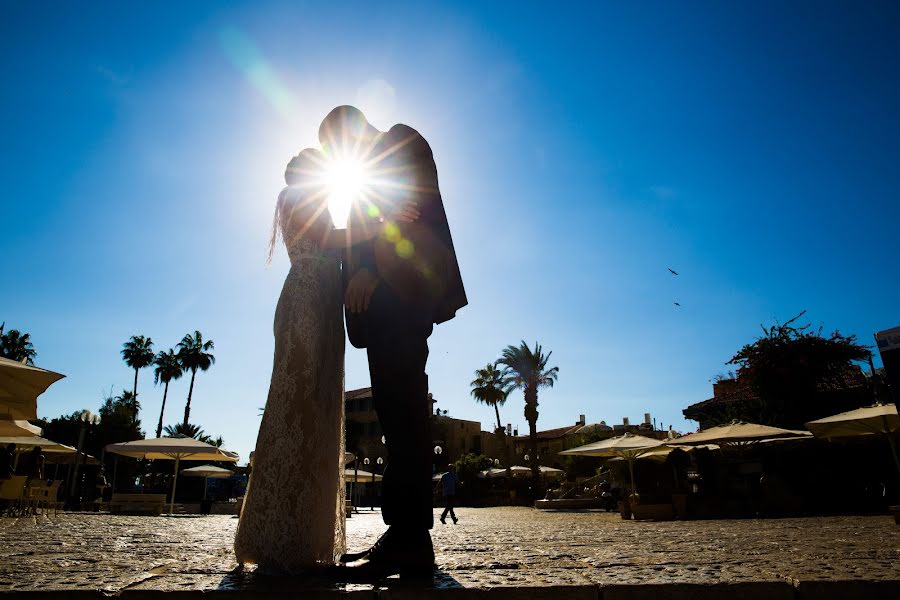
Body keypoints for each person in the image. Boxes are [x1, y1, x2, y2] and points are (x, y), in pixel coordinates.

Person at [234, 134, 420, 574]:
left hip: (322, 305)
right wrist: (385, 223)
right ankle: (278, 531)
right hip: (306, 306)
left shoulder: (310, 199)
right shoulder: (297, 198)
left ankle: (299, 532)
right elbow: (330, 239)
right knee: (294, 407)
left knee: (315, 410)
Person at [322, 106, 467, 580]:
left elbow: (413, 209)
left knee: (404, 414)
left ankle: (410, 541)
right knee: (393, 412)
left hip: (402, 295)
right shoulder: (366, 174)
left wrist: (371, 267)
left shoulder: (403, 142)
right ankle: (401, 534)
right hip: (380, 311)